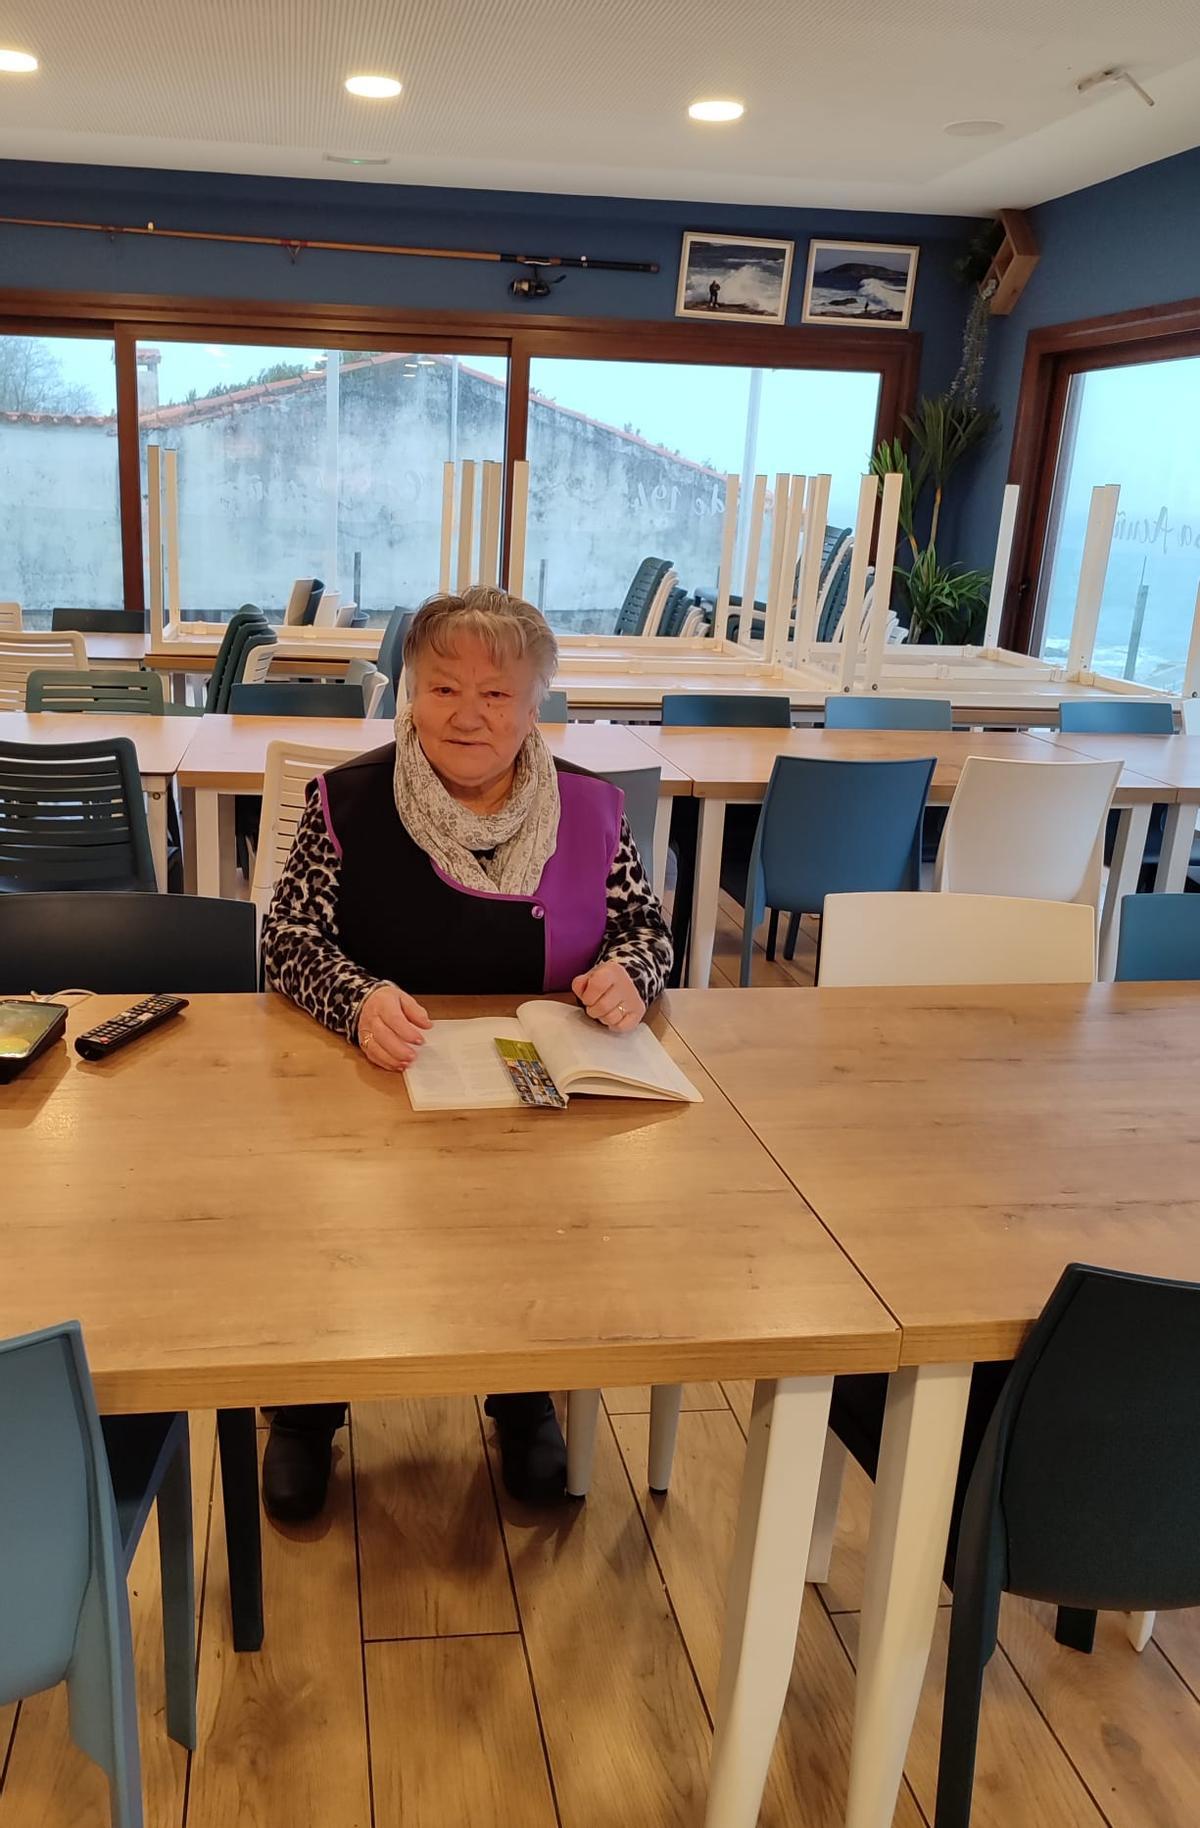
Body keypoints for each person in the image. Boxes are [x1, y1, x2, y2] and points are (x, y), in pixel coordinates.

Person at [260, 586, 674, 1521]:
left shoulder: (590, 811)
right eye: (444, 688)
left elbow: (649, 931)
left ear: (535, 708)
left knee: (533, 1233)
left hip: (532, 1095)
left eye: (497, 696)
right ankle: (306, 1404)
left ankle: (524, 1394)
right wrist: (355, 999)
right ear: (411, 694)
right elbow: (285, 940)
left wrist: (629, 976)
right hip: (375, 1078)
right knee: (336, 1224)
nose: (468, 715)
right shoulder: (349, 801)